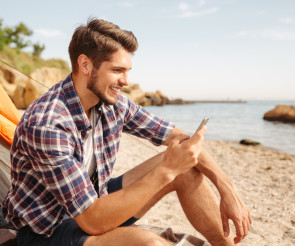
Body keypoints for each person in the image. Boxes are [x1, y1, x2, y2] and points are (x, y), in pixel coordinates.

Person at [2, 18, 251, 246]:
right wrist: (167, 170)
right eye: (117, 70)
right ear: (86, 64)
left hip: (92, 200)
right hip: (47, 231)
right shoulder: (47, 124)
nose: (126, 81)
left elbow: (181, 138)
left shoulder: (113, 103)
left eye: (128, 71)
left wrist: (227, 188)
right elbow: (92, 221)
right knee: (148, 242)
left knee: (185, 169)